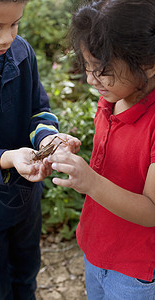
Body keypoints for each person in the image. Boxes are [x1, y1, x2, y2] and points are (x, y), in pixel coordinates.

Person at [0, 0, 81, 299]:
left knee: (26, 271)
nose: (7, 38)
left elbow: (38, 111)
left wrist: (47, 139)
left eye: (15, 24)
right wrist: (9, 158)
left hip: (26, 197)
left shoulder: (21, 52)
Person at [46, 0, 155, 299]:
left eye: (102, 70)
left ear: (147, 62)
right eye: (88, 68)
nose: (92, 80)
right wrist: (77, 155)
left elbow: (152, 210)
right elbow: (115, 164)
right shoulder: (111, 99)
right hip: (95, 247)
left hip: (134, 271)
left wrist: (91, 182)